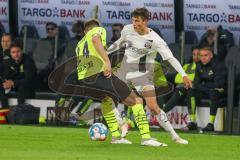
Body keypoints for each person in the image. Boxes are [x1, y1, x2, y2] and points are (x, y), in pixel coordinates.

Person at [48, 19, 166, 147]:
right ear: (94, 28)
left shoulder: (79, 44)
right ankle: (146, 138)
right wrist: (107, 62)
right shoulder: (98, 30)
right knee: (137, 100)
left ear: (84, 31)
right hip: (98, 75)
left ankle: (116, 137)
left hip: (85, 81)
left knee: (107, 102)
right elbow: (95, 39)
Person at [108, 8, 192, 144]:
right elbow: (120, 42)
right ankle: (121, 132)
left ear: (146, 21)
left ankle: (175, 136)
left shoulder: (155, 40)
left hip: (143, 75)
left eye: (138, 21)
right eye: (133, 20)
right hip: (124, 72)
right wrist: (105, 51)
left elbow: (170, 58)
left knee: (153, 107)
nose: (134, 23)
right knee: (109, 96)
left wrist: (183, 74)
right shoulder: (127, 29)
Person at [187, 47, 227, 131]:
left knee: (214, 92)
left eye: (206, 55)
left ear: (211, 55)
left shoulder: (218, 65)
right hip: (207, 90)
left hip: (219, 92)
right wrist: (207, 86)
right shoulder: (198, 65)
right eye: (201, 55)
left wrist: (204, 84)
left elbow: (219, 84)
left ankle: (211, 124)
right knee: (191, 91)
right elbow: (196, 83)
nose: (203, 58)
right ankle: (193, 122)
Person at [163, 46, 200, 113]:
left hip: (189, 89)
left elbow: (195, 79)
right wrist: (186, 80)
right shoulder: (187, 65)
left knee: (180, 91)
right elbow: (177, 78)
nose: (196, 57)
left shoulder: (201, 67)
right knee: (162, 92)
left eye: (198, 54)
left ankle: (160, 115)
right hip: (179, 87)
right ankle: (155, 113)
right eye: (194, 54)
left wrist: (186, 79)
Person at [0, 43, 36, 108]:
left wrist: (13, 83)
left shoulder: (28, 61)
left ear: (22, 51)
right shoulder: (8, 61)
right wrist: (6, 82)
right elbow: (4, 75)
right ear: (10, 53)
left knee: (23, 86)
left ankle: (20, 109)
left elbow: (29, 79)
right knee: (2, 85)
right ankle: (5, 109)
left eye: (18, 51)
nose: (16, 54)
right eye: (13, 52)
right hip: (14, 84)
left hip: (27, 85)